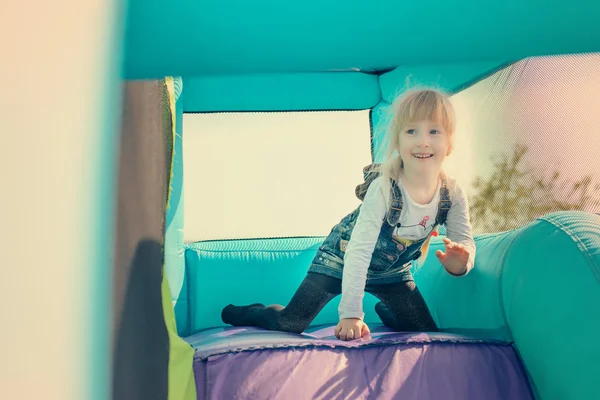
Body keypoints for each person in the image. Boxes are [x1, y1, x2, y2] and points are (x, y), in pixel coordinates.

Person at [221, 87, 476, 341]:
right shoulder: (384, 188)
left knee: (424, 331)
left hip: (393, 272)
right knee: (291, 322)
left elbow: (464, 241)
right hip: (340, 260)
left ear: (449, 142)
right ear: (398, 141)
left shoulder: (451, 193)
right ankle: (251, 312)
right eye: (412, 131)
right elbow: (359, 250)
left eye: (434, 131)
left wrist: (461, 265)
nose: (423, 141)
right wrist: (351, 313)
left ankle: (390, 309)